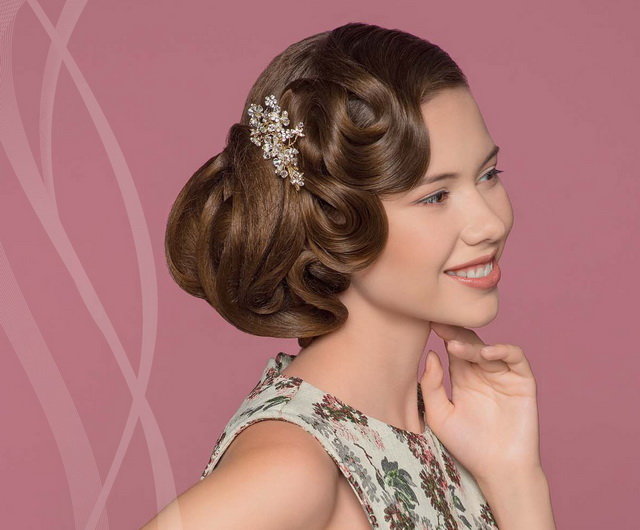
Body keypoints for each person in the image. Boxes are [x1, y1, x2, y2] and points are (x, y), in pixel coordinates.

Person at [142, 22, 556, 529]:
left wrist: (515, 477)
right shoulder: (296, 466)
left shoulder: (438, 433)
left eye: (488, 175)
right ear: (333, 220)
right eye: (435, 196)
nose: (490, 223)